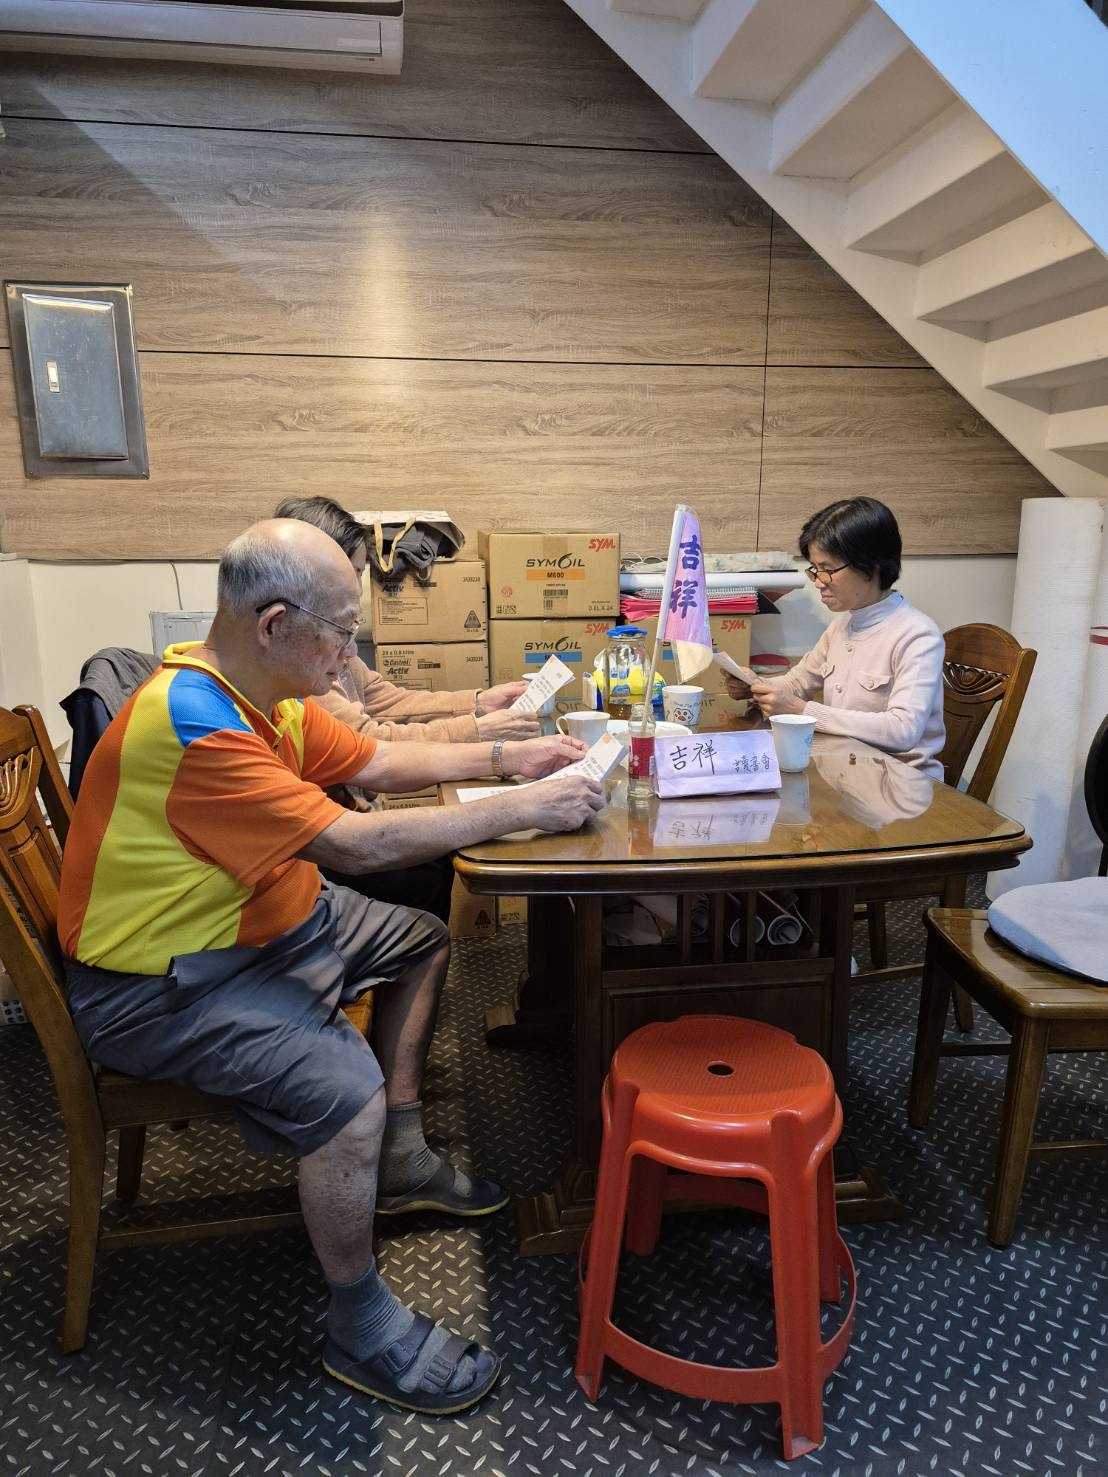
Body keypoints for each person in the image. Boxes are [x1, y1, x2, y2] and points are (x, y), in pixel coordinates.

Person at [57, 519, 605, 1415]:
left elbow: (378, 759)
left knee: (421, 937)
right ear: (275, 624)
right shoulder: (196, 724)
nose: (351, 653)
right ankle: (360, 1324)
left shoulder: (259, 691)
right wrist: (526, 805)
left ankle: (402, 1152)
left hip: (258, 925)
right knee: (346, 1096)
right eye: (342, 630)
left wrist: (512, 757)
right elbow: (353, 842)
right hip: (161, 983)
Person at [274, 496, 539, 920]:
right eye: (353, 574)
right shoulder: (295, 669)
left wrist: (477, 705)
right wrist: (493, 748)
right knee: (435, 869)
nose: (358, 591)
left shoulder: (324, 646)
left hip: (343, 825)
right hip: (324, 850)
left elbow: (381, 713)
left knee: (440, 858)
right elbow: (373, 749)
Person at [725, 498, 945, 778]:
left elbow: (903, 730)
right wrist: (755, 685)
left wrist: (803, 711)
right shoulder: (842, 624)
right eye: (815, 569)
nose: (818, 581)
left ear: (871, 565)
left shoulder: (917, 635)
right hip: (847, 773)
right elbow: (798, 682)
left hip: (901, 782)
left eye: (827, 570)